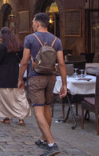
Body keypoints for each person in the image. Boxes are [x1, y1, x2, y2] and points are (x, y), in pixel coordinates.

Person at [18, 13, 67, 156]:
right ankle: (44, 139)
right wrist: (64, 83)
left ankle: (51, 143)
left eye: (33, 22)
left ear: (38, 24)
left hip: (36, 77)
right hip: (51, 77)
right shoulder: (56, 40)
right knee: (46, 108)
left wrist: (20, 79)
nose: (33, 25)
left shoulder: (30, 39)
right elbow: (62, 64)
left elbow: (24, 61)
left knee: (38, 111)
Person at [0, 27, 30, 125]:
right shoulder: (18, 45)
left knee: (5, 96)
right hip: (14, 72)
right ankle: (21, 118)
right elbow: (21, 59)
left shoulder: (2, 46)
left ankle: (6, 117)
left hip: (3, 73)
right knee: (17, 95)